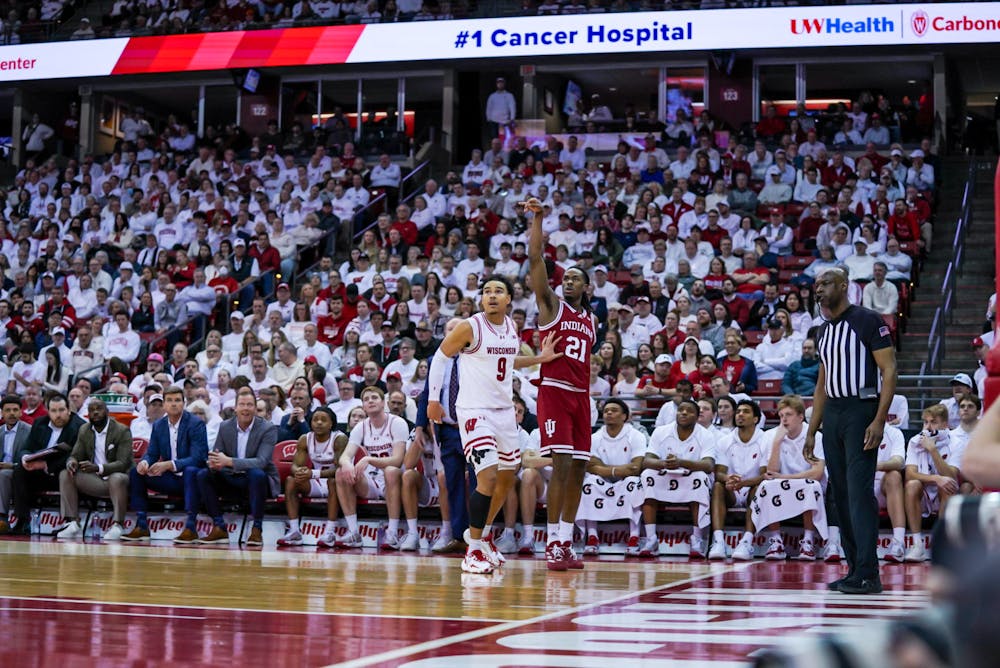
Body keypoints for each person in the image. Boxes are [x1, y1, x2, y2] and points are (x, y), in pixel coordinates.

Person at [426, 275, 557, 574]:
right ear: (482, 299)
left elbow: (508, 361)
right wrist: (434, 399)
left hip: (504, 412)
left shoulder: (510, 327)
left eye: (499, 291)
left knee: (508, 478)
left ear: (510, 298)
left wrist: (541, 358)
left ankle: (482, 536)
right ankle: (471, 549)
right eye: (487, 292)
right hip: (474, 411)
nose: (492, 296)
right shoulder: (470, 326)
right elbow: (440, 357)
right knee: (486, 478)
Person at [807, 267, 897, 595]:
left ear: (844, 286)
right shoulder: (822, 330)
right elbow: (821, 382)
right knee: (840, 493)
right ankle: (853, 568)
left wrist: (878, 419)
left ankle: (869, 573)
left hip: (861, 410)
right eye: (817, 285)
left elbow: (889, 370)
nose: (819, 289)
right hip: (832, 412)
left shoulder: (868, 320)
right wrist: (811, 428)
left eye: (826, 284)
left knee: (859, 493)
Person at [525, 197, 598, 571]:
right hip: (554, 391)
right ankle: (552, 542)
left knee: (579, 472)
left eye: (574, 278)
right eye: (565, 276)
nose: (567, 280)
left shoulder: (591, 321)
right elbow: (536, 261)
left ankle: (566, 542)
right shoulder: (552, 306)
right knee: (563, 465)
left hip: (581, 397)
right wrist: (538, 219)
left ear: (587, 287)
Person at [122, 386, 208, 543]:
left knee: (190, 470)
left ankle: (191, 527)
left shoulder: (196, 424)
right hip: (172, 479)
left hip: (193, 479)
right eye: (169, 400)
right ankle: (141, 524)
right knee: (136, 473)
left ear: (184, 403)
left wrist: (170, 464)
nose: (173, 404)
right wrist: (145, 462)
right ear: (164, 405)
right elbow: (153, 453)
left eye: (177, 400)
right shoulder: (159, 425)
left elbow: (198, 458)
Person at [197, 388, 278, 546]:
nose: (245, 408)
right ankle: (219, 526)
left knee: (257, 474)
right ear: (235, 408)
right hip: (232, 477)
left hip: (258, 481)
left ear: (255, 408)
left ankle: (257, 529)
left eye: (249, 405)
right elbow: (217, 454)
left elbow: (261, 462)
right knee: (203, 474)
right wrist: (213, 463)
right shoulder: (225, 426)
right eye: (242, 404)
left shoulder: (268, 428)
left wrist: (228, 461)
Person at [752, 396, 829, 561]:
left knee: (810, 486)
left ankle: (808, 542)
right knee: (767, 485)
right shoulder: (772, 435)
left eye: (788, 414)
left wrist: (785, 477)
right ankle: (776, 542)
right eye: (781, 416)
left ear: (801, 417)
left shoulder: (815, 436)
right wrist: (777, 443)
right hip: (783, 485)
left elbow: (817, 473)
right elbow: (771, 472)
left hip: (809, 484)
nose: (784, 419)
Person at [639, 399, 716, 559]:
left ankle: (697, 539)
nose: (684, 413)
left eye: (689, 411)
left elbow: (708, 465)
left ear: (697, 416)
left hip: (690, 476)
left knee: (701, 478)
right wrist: (663, 463)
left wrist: (681, 462)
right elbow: (646, 461)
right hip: (666, 474)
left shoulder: (706, 435)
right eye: (681, 410)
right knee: (647, 475)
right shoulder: (661, 431)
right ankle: (651, 538)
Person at [335, 386, 407, 549]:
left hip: (396, 480)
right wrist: (346, 463)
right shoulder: (361, 426)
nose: (370, 401)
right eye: (366, 399)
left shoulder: (397, 423)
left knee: (390, 471)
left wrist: (368, 459)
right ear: (363, 406)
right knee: (341, 473)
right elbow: (345, 456)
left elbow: (397, 460)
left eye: (374, 397)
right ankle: (353, 533)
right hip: (373, 481)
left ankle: (392, 533)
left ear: (383, 403)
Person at [575, 399, 646, 556]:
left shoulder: (636, 436)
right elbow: (592, 467)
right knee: (589, 482)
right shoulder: (594, 437)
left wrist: (606, 470)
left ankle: (634, 537)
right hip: (604, 481)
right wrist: (618, 471)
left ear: (624, 416)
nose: (608, 413)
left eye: (614, 410)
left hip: (627, 480)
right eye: (606, 410)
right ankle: (592, 537)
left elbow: (636, 468)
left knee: (633, 482)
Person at [55, 398, 133, 541]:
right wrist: (71, 463)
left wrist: (99, 467)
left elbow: (123, 463)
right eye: (91, 410)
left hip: (120, 479)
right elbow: (75, 455)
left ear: (107, 412)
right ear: (88, 414)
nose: (95, 412)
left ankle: (118, 525)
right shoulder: (84, 430)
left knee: (116, 478)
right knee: (66, 474)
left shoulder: (122, 430)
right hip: (96, 480)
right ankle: (73, 522)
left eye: (99, 409)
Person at [7, 393, 86, 535]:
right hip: (39, 473)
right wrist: (25, 458)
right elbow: (26, 447)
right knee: (20, 470)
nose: (58, 415)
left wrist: (45, 465)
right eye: (54, 411)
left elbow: (76, 455)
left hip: (62, 473)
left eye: (61, 410)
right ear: (48, 411)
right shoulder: (39, 423)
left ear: (69, 410)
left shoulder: (79, 426)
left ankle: (69, 522)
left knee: (66, 472)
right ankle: (23, 520)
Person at [278, 407, 347, 548]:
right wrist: (299, 471)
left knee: (333, 481)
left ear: (331, 424)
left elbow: (341, 469)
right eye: (315, 419)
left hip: (337, 484)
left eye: (323, 420)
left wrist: (313, 474)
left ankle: (330, 531)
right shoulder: (305, 439)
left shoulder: (339, 439)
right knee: (291, 480)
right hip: (316, 482)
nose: (319, 423)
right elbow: (294, 466)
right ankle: (294, 531)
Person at [711, 400, 768, 561]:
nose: (740, 414)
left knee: (761, 487)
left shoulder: (765, 439)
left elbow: (766, 474)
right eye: (738, 411)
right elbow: (719, 472)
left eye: (746, 411)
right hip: (732, 490)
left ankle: (747, 542)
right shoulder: (724, 441)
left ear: (756, 419)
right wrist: (727, 478)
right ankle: (719, 541)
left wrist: (743, 483)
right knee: (717, 486)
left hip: (752, 489)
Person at [903, 404, 959, 563]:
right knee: (912, 485)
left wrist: (933, 450)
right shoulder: (915, 441)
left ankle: (942, 543)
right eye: (925, 422)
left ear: (945, 425)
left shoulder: (956, 441)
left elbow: (951, 475)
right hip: (925, 492)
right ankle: (917, 545)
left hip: (947, 493)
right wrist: (935, 478)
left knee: (948, 484)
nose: (927, 427)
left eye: (933, 422)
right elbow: (909, 474)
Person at [873, 424, 906, 564]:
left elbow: (899, 462)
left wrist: (874, 465)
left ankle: (898, 543)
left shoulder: (894, 433)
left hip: (882, 487)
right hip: (860, 483)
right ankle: (835, 543)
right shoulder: (854, 428)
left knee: (894, 475)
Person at [0, 397, 33, 534]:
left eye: (15, 410)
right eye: (8, 410)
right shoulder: (0, 431)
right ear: (2, 413)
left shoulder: (29, 430)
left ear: (21, 412)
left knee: (3, 475)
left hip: (21, 471)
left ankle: (2, 518)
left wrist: (11, 466)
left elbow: (31, 457)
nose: (11, 413)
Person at [485, 76, 516, 142]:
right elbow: (489, 107)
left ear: (504, 84)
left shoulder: (509, 95)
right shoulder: (492, 96)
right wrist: (488, 118)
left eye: (502, 83)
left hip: (505, 121)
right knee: (495, 139)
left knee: (506, 139)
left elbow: (512, 107)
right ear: (496, 84)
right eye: (498, 83)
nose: (500, 84)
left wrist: (512, 118)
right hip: (494, 121)